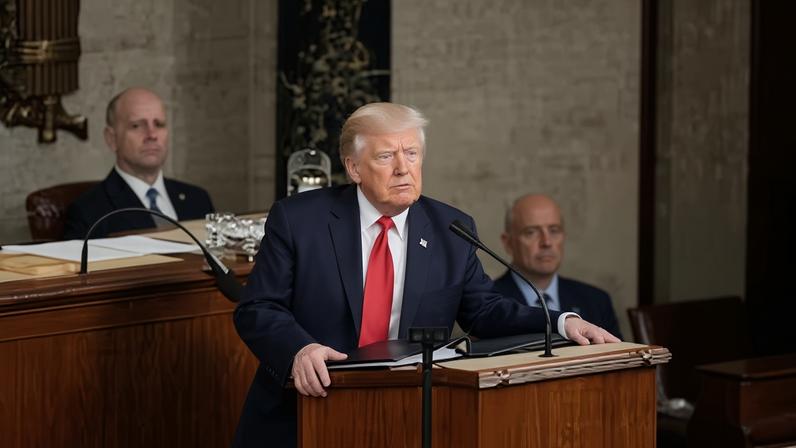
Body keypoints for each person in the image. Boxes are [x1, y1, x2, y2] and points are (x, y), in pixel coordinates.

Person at [232, 103, 619, 447]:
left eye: (412, 153)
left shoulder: (451, 228)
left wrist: (561, 322)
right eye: (386, 156)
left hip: (407, 415)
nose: (403, 168)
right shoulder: (299, 219)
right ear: (353, 167)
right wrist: (299, 349)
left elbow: (484, 311)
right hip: (305, 410)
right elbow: (257, 308)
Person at [62, 88, 214, 239]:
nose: (152, 135)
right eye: (137, 125)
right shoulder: (89, 211)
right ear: (111, 139)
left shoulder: (198, 199)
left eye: (159, 124)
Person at [494, 194, 623, 339]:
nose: (547, 242)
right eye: (531, 232)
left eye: (554, 230)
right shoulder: (487, 304)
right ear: (508, 243)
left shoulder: (596, 301)